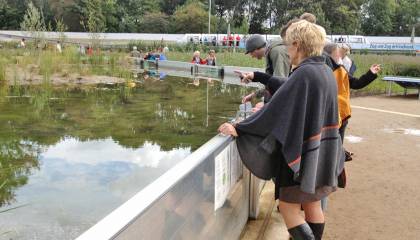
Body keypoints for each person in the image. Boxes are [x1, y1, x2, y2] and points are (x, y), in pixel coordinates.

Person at [218, 20, 345, 240]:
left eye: (288, 46)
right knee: (313, 203)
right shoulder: (324, 70)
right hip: (322, 150)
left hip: (302, 153)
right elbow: (287, 88)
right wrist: (258, 76)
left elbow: (275, 111)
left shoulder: (304, 74)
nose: (287, 51)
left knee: (289, 207)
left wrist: (240, 128)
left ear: (297, 44)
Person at [323, 43, 380, 161]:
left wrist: (371, 73)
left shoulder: (341, 69)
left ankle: (337, 160)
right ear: (331, 54)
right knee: (332, 144)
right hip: (332, 112)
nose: (341, 55)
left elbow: (356, 83)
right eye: (338, 52)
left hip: (341, 112)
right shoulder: (326, 70)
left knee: (336, 144)